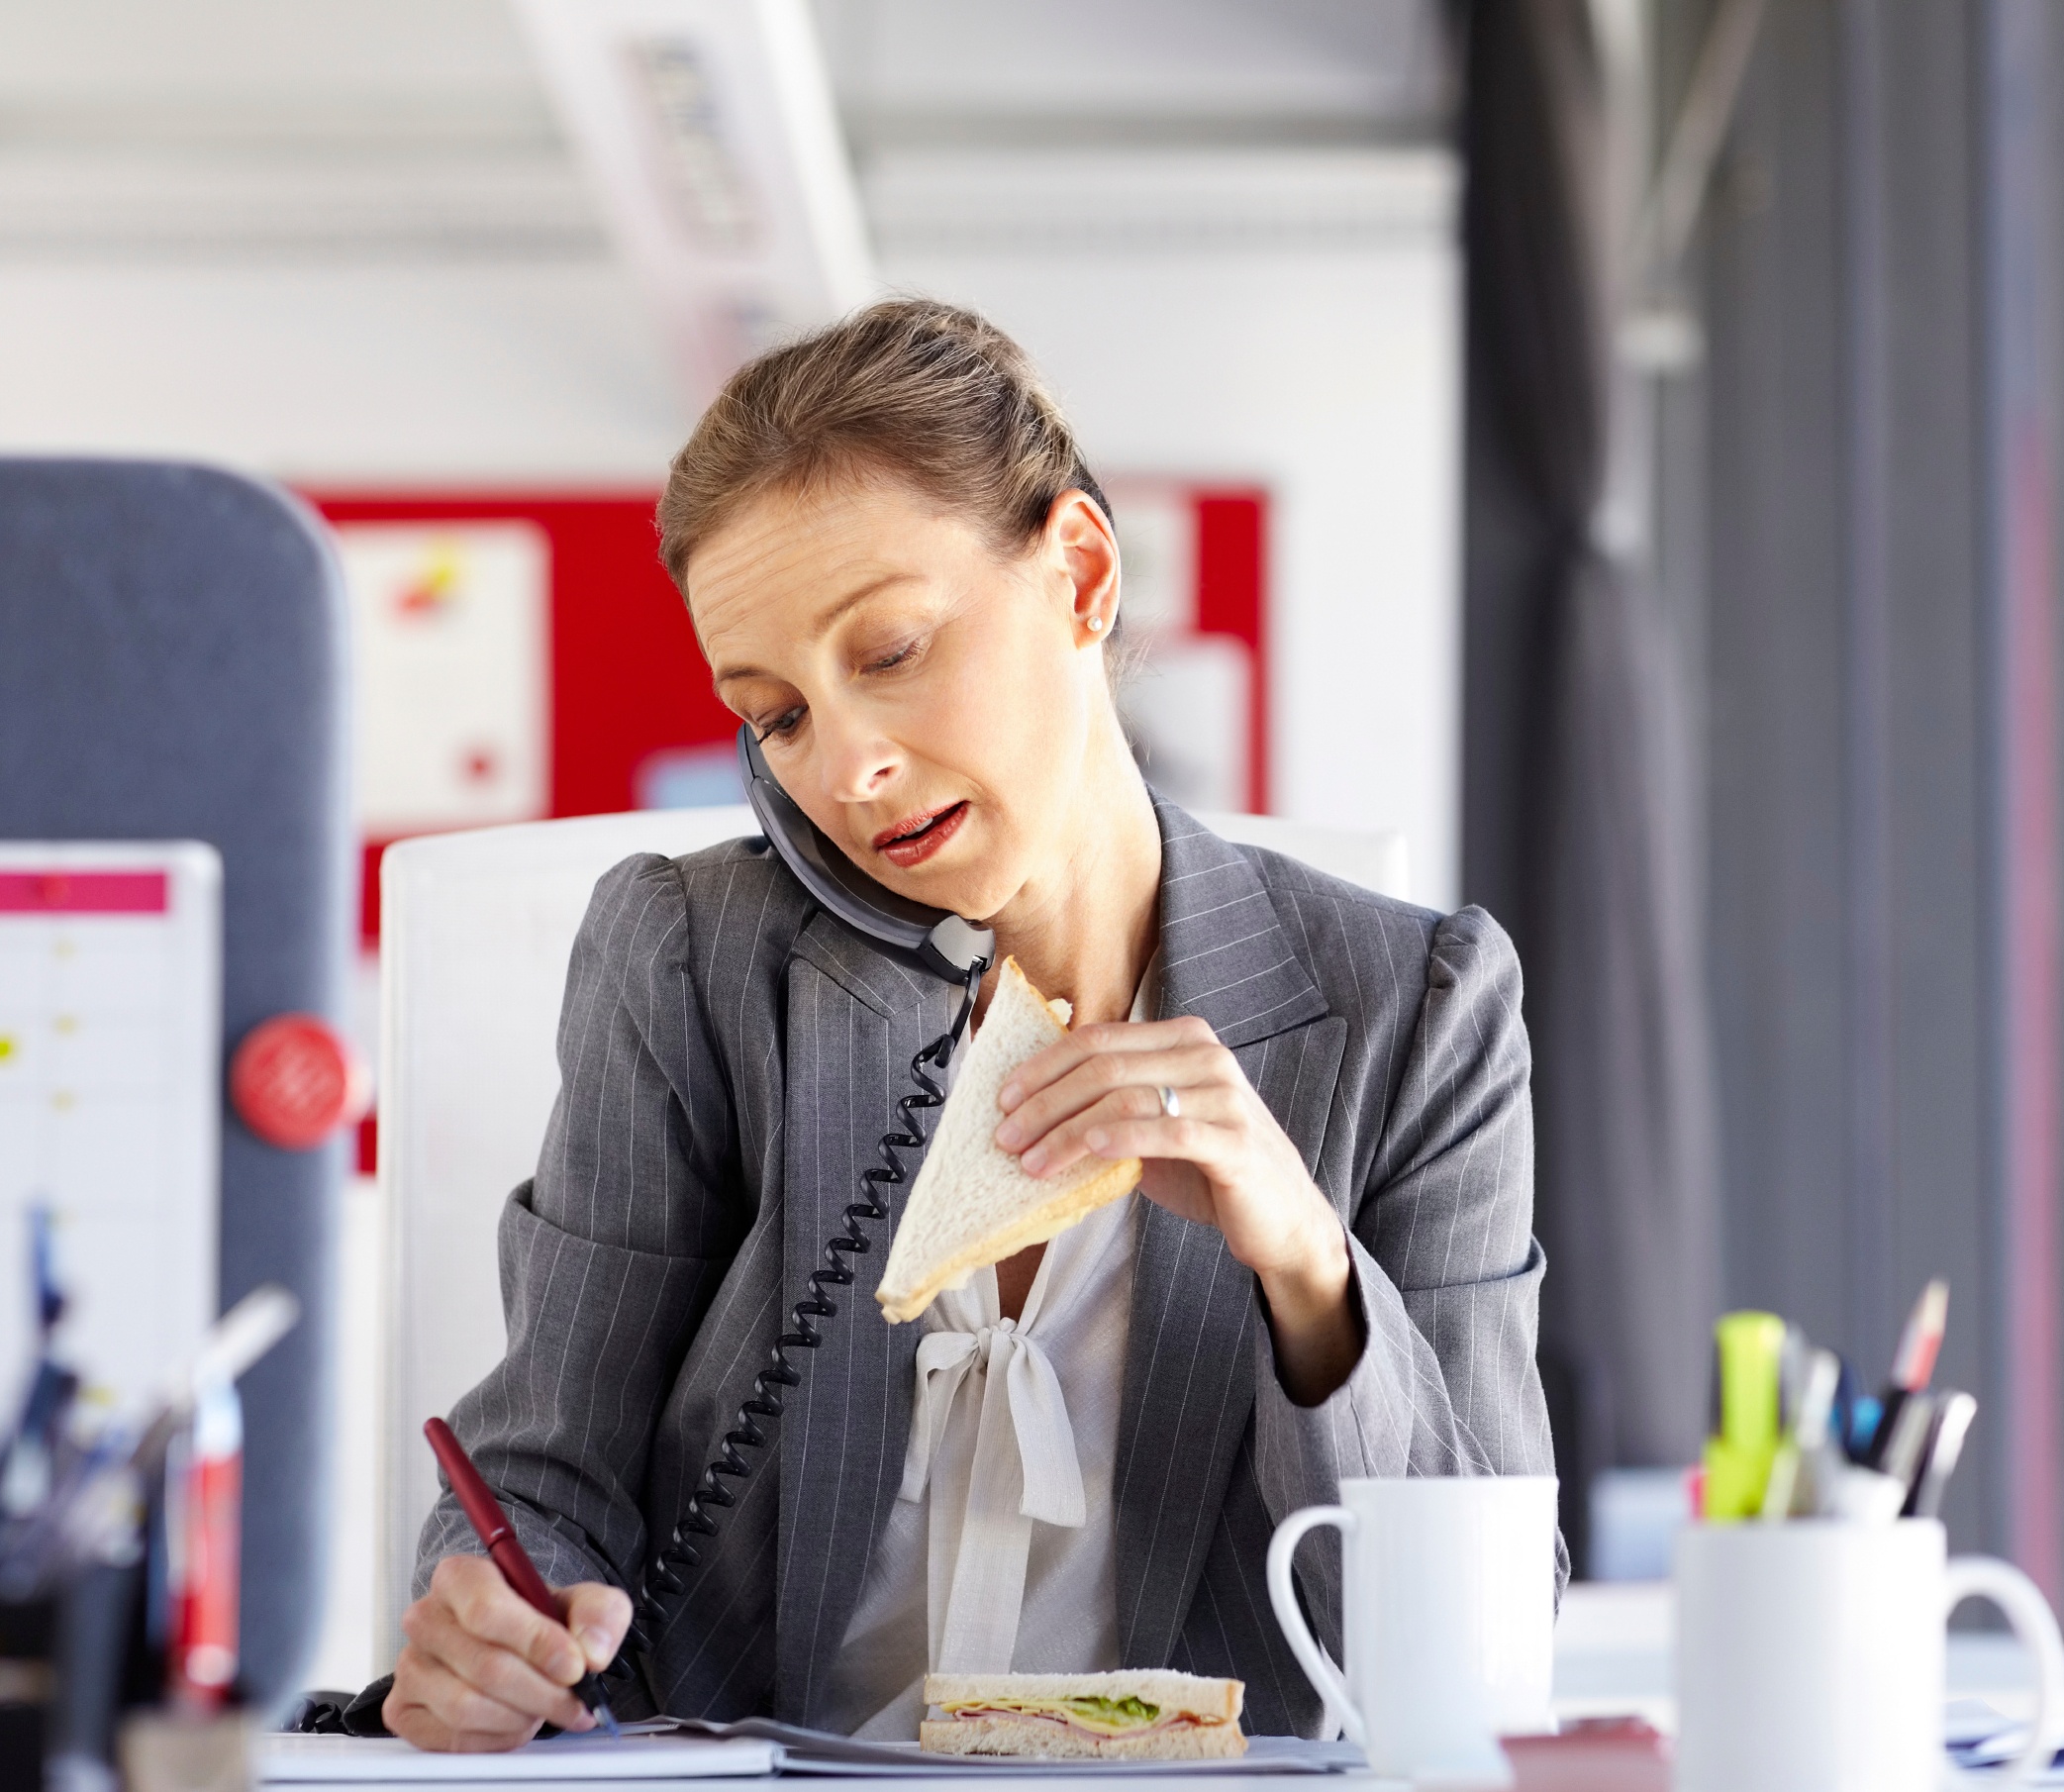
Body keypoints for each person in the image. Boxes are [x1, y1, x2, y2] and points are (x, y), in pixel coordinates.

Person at [382, 300, 1557, 1751]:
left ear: (1079, 573)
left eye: (889, 650)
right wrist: (500, 1624)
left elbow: (1496, 1652)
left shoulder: (1419, 1006)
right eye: (777, 716)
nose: (851, 768)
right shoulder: (696, 961)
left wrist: (1308, 1267)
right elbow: (539, 1472)